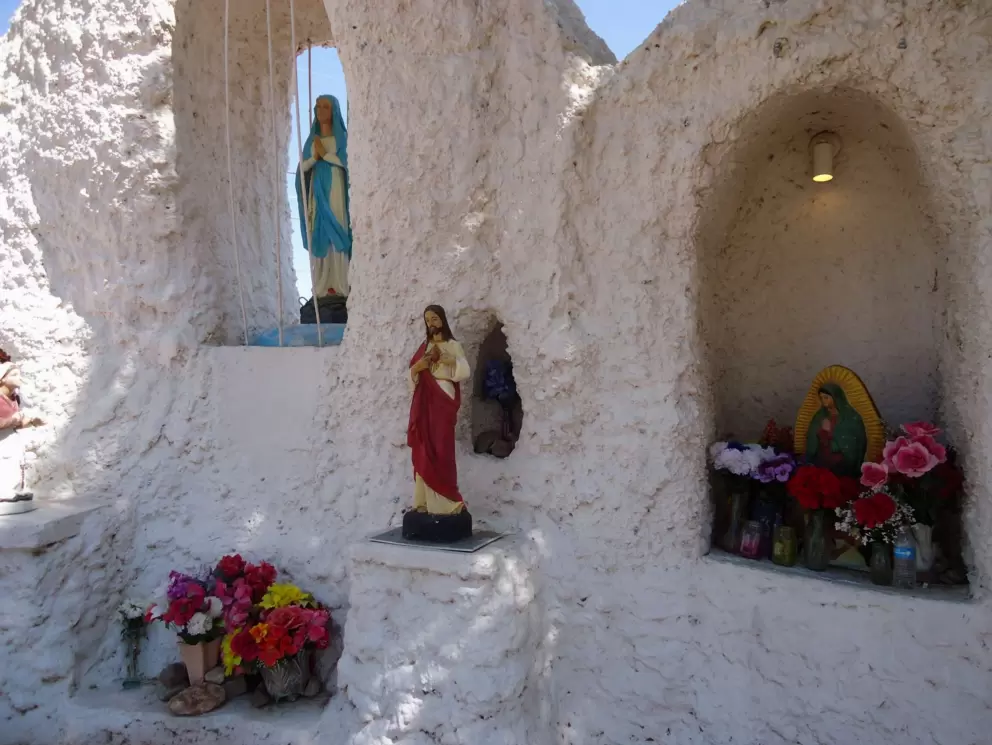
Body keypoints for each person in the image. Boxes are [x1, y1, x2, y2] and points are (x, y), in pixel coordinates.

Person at [404, 306, 472, 541]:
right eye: (427, 319)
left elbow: (464, 371)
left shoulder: (453, 345)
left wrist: (450, 359)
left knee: (442, 451)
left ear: (442, 320)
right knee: (425, 449)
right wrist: (418, 368)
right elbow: (411, 375)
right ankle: (423, 502)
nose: (431, 322)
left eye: (434, 318)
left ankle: (447, 503)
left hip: (443, 404)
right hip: (425, 405)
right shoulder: (423, 348)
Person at [295, 94, 352, 299]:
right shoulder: (312, 140)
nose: (320, 110)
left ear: (333, 110)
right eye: (317, 106)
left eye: (325, 106)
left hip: (336, 188)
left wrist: (327, 156)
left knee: (337, 226)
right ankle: (321, 287)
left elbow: (348, 165)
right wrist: (314, 158)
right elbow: (301, 170)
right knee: (318, 229)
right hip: (317, 189)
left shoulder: (342, 138)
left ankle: (340, 284)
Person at [804, 383, 867, 478]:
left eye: (826, 397)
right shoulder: (819, 416)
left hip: (841, 461)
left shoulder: (851, 417)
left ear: (835, 397)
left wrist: (830, 433)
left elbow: (856, 440)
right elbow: (812, 437)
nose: (823, 401)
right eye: (821, 398)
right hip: (822, 459)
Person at [0, 348, 43, 431]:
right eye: (14, 375)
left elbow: (17, 421)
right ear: (2, 379)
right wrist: (14, 419)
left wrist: (32, 422)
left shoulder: (14, 400)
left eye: (19, 375)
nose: (19, 378)